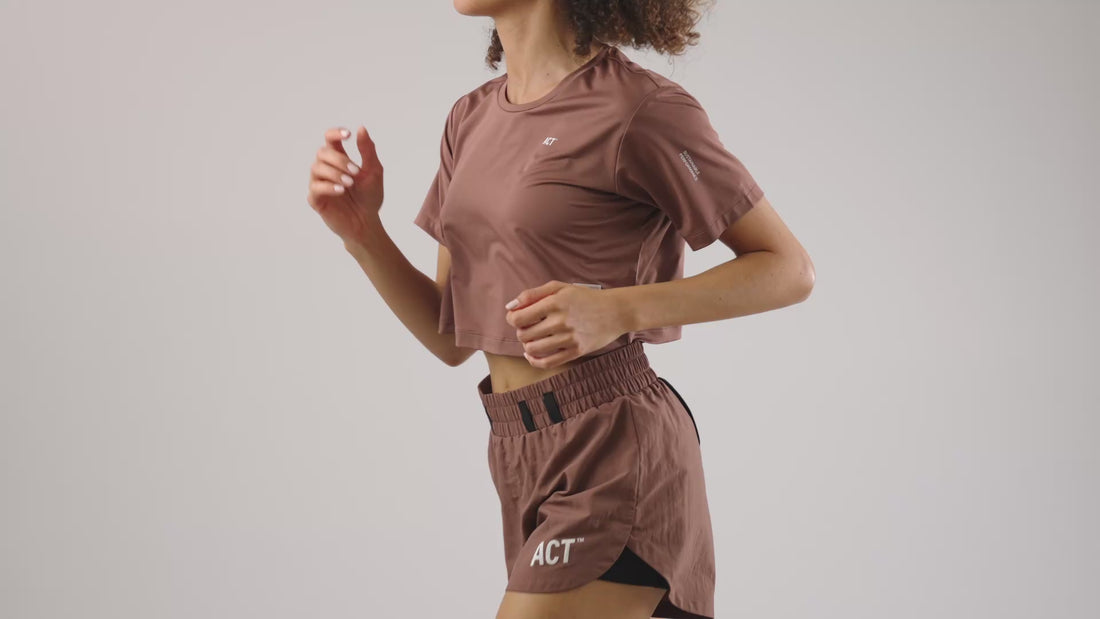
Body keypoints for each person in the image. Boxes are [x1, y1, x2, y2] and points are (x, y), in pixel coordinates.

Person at [306, 1, 814, 617]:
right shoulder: (469, 117)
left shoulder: (642, 109)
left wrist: (618, 311)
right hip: (517, 448)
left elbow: (788, 269)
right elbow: (451, 336)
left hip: (611, 445)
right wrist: (364, 235)